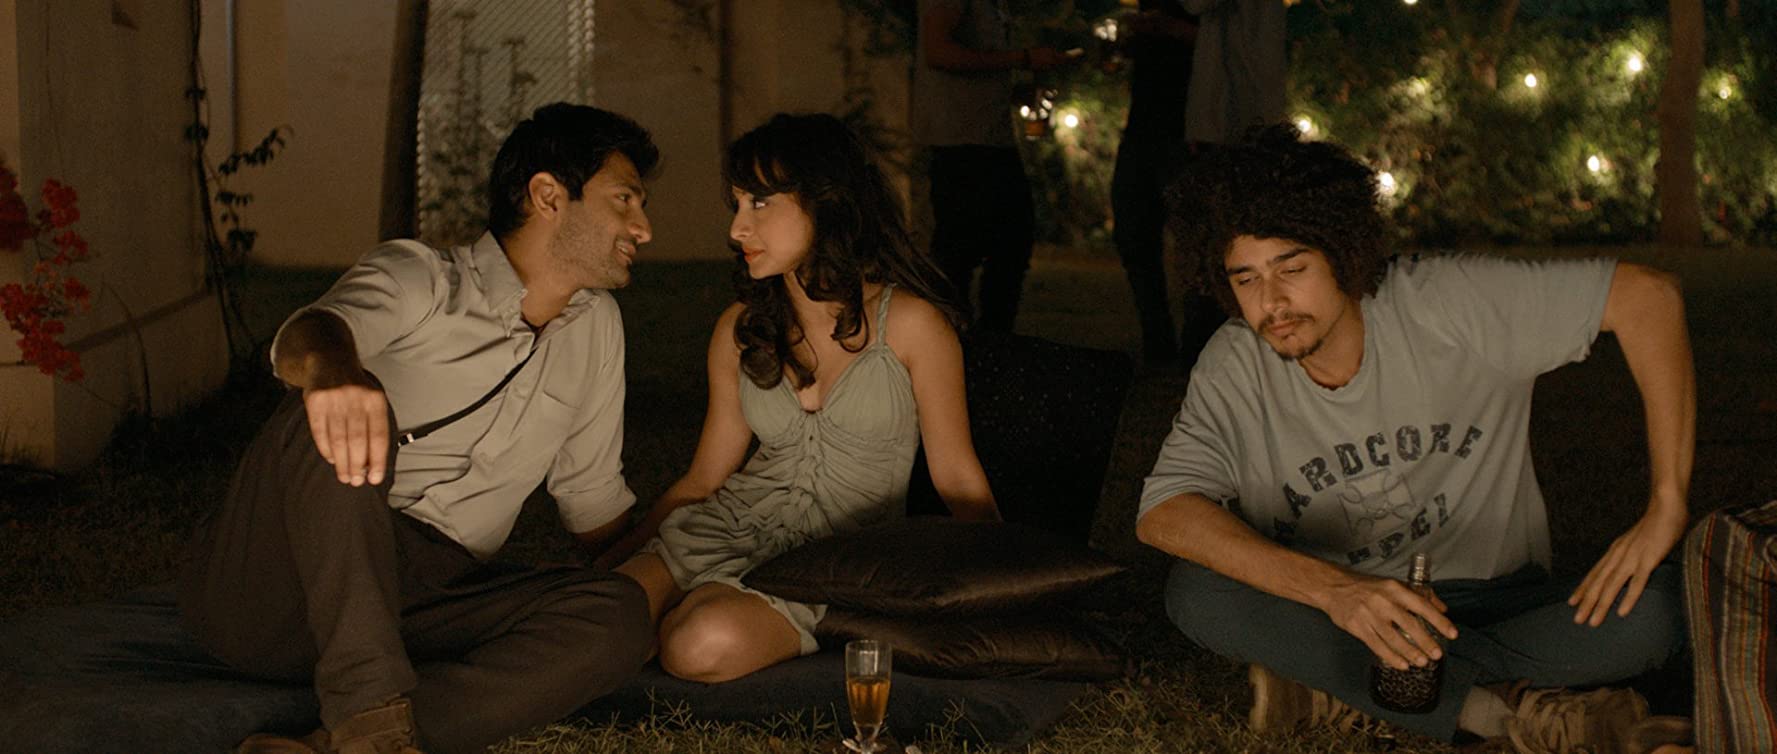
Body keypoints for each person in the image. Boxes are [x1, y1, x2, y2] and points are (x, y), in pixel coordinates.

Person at [1136, 125, 1692, 750]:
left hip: (1492, 598)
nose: (1273, 302)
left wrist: (1666, 505)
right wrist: (1337, 592)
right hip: (1334, 613)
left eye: (1293, 268)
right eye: (1246, 279)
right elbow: (1164, 511)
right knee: (1197, 592)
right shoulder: (1235, 362)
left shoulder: (1444, 302)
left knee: (1670, 607)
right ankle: (1501, 712)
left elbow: (1649, 297)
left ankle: (1336, 686)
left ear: (1342, 253)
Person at [178, 103, 659, 754]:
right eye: (625, 200)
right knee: (341, 404)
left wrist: (700, 552)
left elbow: (593, 504)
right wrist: (334, 372)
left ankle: (337, 743)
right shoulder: (423, 277)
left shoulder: (596, 327)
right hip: (280, 583)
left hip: (428, 599)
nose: (643, 228)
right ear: (548, 195)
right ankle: (370, 713)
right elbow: (309, 335)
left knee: (619, 615)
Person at [601, 112, 1001, 683]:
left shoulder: (911, 326)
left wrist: (1003, 588)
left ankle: (685, 620)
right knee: (592, 622)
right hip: (721, 527)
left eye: (760, 203)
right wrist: (612, 563)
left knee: (698, 644)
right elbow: (703, 481)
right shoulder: (740, 328)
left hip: (828, 560)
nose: (738, 229)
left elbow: (958, 480)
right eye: (736, 205)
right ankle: (649, 614)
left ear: (824, 202)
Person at [914, 0, 1071, 332]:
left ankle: (984, 340)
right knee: (973, 251)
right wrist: (1023, 58)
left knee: (1003, 247)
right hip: (963, 143)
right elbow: (938, 52)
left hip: (985, 139)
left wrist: (1012, 91)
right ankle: (966, 340)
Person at [1109, 1, 1225, 366]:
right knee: (1134, 233)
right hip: (1144, 125)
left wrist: (1168, 28)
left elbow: (1226, 44)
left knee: (1195, 241)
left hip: (1190, 128)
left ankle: (1197, 344)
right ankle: (1157, 341)